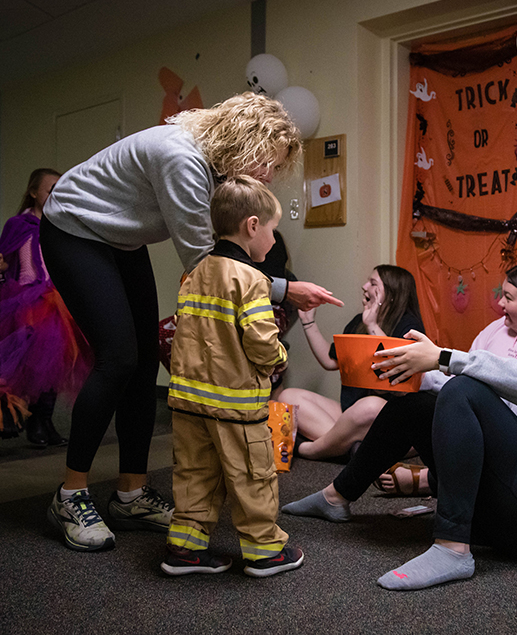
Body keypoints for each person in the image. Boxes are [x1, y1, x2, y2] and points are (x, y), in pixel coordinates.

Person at [40, 92, 343, 553]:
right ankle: (70, 495)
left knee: (144, 364)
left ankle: (131, 494)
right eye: (269, 163)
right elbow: (209, 263)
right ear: (247, 143)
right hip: (75, 228)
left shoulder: (213, 166)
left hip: (121, 239)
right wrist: (284, 289)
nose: (268, 175)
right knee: (119, 358)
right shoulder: (181, 157)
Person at [282, 271, 517, 591]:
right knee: (419, 406)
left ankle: (452, 547)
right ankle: (337, 496)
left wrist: (445, 359)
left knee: (464, 389)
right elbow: (513, 404)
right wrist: (421, 367)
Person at [162, 177, 303, 577]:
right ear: (252, 226)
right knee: (252, 477)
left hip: (188, 403)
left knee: (194, 475)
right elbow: (260, 342)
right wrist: (277, 357)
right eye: (273, 230)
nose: (274, 241)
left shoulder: (194, 272)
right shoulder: (251, 279)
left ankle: (185, 550)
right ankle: (264, 551)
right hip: (235, 406)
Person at [373, 259, 517, 495]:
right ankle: (339, 492)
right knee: (411, 405)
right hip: (475, 426)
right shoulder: (494, 330)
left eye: (508, 297)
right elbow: (462, 382)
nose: (500, 302)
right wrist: (418, 376)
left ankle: (429, 480)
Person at [275, 264, 424, 460]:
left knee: (369, 405)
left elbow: (398, 374)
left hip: (389, 415)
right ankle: (354, 450)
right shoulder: (357, 322)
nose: (364, 286)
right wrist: (307, 321)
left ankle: (312, 449)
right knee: (288, 396)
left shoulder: (409, 325)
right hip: (352, 413)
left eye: (372, 283)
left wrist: (372, 325)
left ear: (391, 293)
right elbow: (330, 361)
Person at [0, 168, 91, 447]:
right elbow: (6, 258)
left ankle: (45, 422)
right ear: (33, 192)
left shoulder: (60, 224)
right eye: (51, 189)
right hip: (27, 299)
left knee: (55, 365)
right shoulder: (20, 224)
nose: (56, 194)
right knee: (26, 365)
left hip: (56, 300)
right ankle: (23, 420)